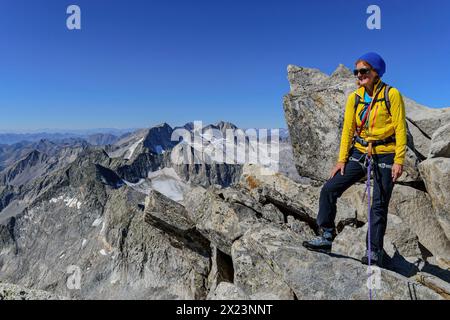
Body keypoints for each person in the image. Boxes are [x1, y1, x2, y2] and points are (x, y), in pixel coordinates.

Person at [302, 52, 407, 267]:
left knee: (378, 204)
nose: (359, 75)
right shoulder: (355, 98)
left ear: (376, 72)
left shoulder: (392, 94)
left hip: (385, 153)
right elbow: (348, 130)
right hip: (359, 153)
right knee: (329, 188)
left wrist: (399, 160)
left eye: (364, 71)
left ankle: (374, 252)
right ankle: (326, 236)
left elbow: (400, 128)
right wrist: (341, 160)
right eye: (356, 72)